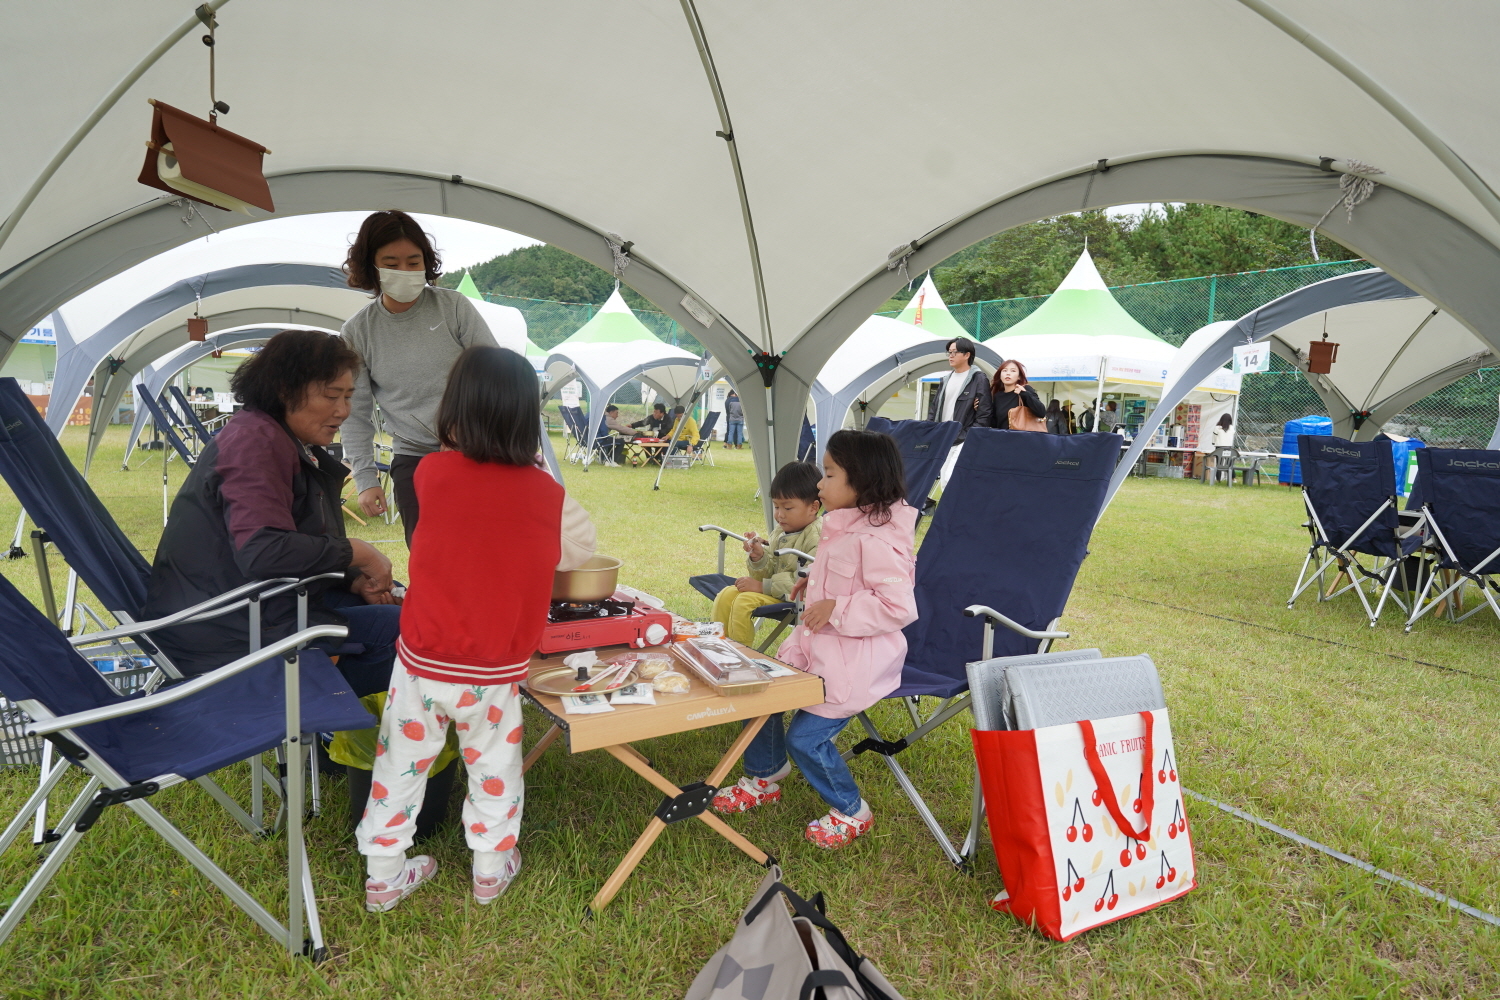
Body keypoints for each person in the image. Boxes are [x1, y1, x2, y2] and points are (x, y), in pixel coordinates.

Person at [357, 345, 596, 912]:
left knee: (398, 768)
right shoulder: (547, 493)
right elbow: (575, 550)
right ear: (526, 417)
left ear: (454, 408)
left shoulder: (432, 474)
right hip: (494, 671)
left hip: (421, 662)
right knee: (494, 769)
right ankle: (490, 869)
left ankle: (384, 876)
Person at [141, 330, 398, 694]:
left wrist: (350, 577)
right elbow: (263, 549)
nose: (343, 410)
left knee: (398, 603)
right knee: (407, 632)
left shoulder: (272, 435)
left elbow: (285, 542)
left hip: (248, 607)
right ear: (284, 390)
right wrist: (357, 552)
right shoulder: (255, 443)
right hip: (223, 633)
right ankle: (335, 737)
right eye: (331, 396)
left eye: (348, 397)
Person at [712, 430, 917, 850]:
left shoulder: (878, 539)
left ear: (861, 479)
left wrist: (836, 608)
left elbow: (897, 607)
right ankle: (766, 775)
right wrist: (812, 582)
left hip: (853, 666)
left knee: (804, 739)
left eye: (828, 474)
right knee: (762, 697)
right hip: (816, 650)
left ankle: (851, 809)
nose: (819, 484)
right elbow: (840, 572)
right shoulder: (843, 524)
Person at [339, 211, 496, 547]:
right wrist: (365, 478)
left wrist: (463, 430)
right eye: (392, 263)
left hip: (476, 451)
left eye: (414, 262)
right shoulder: (357, 330)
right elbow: (355, 410)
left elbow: (494, 375)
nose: (405, 272)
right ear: (371, 266)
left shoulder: (454, 307)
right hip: (413, 460)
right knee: (429, 557)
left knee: (485, 550)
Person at [710, 462, 822, 645]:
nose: (780, 515)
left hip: (799, 599)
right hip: (775, 591)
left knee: (743, 601)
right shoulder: (781, 531)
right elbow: (768, 572)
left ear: (813, 507)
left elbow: (806, 582)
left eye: (787, 508)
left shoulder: (818, 536)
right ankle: (717, 645)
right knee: (726, 594)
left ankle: (741, 656)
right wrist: (759, 557)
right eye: (776, 507)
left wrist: (763, 587)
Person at [927, 337, 993, 489]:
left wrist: (970, 435)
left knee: (951, 479)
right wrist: (930, 431)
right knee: (944, 481)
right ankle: (952, 512)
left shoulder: (979, 378)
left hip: (964, 437)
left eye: (955, 352)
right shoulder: (945, 380)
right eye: (949, 352)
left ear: (967, 355)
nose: (950, 355)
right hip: (944, 436)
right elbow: (934, 408)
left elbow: (984, 413)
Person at [990, 359, 1046, 429]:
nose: (1008, 373)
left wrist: (1025, 394)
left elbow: (1041, 412)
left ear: (1019, 376)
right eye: (1004, 370)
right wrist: (981, 408)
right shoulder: (998, 396)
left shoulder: (1025, 390)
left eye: (1013, 371)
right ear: (1000, 375)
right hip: (1003, 437)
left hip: (1023, 437)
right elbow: (995, 423)